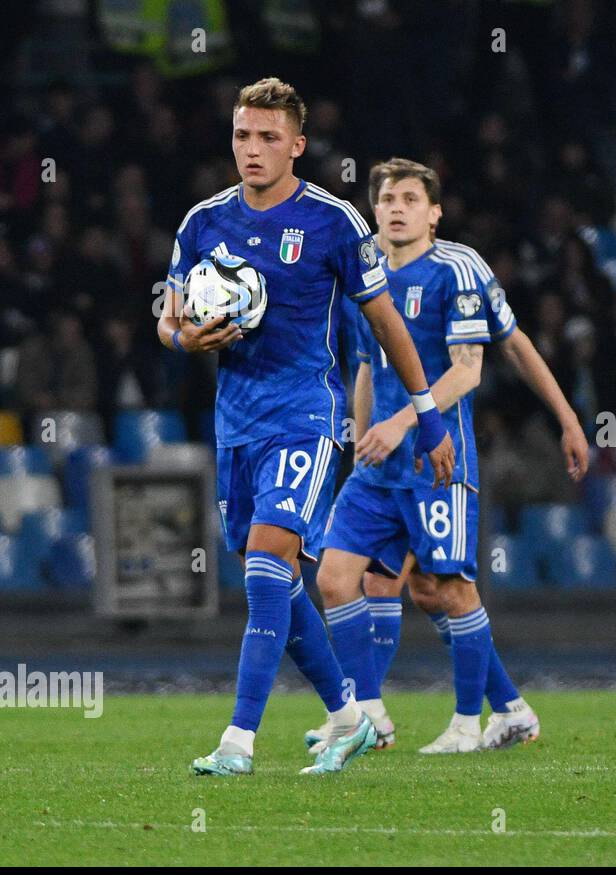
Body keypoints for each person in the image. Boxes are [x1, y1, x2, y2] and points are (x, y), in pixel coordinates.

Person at [155, 78, 454, 777]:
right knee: (275, 580)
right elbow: (169, 317)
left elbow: (386, 324)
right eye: (241, 135)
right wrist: (183, 341)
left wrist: (429, 414)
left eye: (267, 138)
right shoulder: (202, 223)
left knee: (265, 567)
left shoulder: (334, 221)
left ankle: (238, 740)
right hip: (236, 423)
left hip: (304, 414)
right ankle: (348, 717)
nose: (251, 150)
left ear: (298, 144)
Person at [308, 157, 587, 756]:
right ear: (373, 210)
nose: (397, 208)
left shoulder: (456, 269)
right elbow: (363, 364)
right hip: (379, 464)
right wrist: (362, 437)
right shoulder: (362, 274)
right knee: (337, 579)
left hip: (435, 461)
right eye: (387, 199)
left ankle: (473, 720)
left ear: (434, 213)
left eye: (411, 199)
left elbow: (469, 370)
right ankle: (369, 714)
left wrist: (565, 418)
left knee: (443, 589)